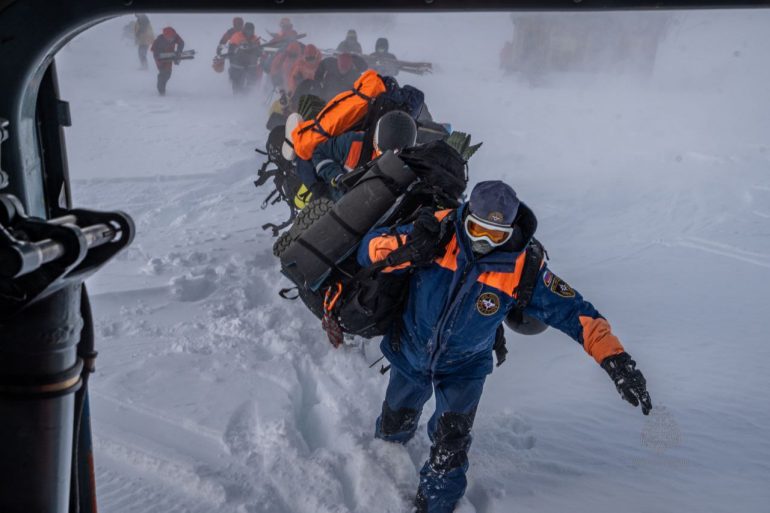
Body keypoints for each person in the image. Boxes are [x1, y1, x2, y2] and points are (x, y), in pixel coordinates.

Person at [357, 180, 653, 513]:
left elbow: (574, 311)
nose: (483, 242)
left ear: (509, 231)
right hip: (411, 349)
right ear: (465, 215)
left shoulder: (523, 266)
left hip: (464, 369)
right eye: (476, 229)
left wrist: (616, 360)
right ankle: (386, 451)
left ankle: (435, 504)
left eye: (495, 235)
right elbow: (367, 249)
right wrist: (409, 249)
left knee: (451, 443)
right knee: (396, 419)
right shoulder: (437, 229)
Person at [311, 111, 417, 200]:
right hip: (336, 204)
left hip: (373, 217)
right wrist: (337, 177)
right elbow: (320, 153)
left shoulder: (408, 169)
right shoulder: (353, 143)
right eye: (383, 153)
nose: (390, 158)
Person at [227, 22, 262, 93]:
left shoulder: (255, 38)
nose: (249, 32)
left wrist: (256, 49)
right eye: (248, 30)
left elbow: (259, 53)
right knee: (237, 86)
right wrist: (241, 46)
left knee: (251, 85)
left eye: (251, 31)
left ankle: (247, 99)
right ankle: (237, 100)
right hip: (237, 65)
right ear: (244, 30)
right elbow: (232, 49)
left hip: (251, 66)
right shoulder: (237, 36)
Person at [150, 27, 184, 96]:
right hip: (159, 57)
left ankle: (162, 86)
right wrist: (160, 61)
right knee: (163, 73)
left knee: (168, 74)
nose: (171, 40)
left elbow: (181, 42)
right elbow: (155, 52)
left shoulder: (175, 36)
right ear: (165, 37)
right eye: (169, 38)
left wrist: (178, 51)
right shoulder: (159, 40)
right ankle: (161, 91)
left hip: (170, 55)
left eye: (172, 38)